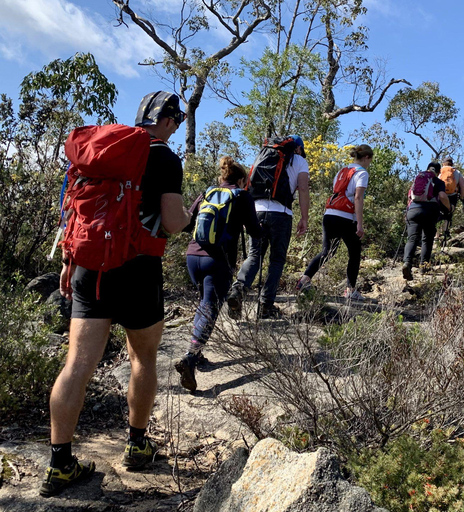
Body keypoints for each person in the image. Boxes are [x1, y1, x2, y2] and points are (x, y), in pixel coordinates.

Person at [41, 91, 191, 496]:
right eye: (175, 122)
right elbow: (174, 223)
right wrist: (190, 214)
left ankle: (59, 465)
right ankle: (137, 445)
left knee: (77, 365)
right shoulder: (164, 158)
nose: (176, 128)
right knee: (142, 357)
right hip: (138, 269)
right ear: (168, 120)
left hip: (89, 268)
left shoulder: (103, 150)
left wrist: (69, 261)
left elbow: (77, 212)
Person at [174, 157, 262, 392]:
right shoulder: (242, 196)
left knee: (204, 304)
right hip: (218, 260)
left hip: (193, 256)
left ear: (222, 178)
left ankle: (197, 354)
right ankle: (190, 357)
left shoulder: (208, 193)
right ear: (243, 180)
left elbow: (186, 222)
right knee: (209, 308)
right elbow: (255, 231)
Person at [226, 135, 310, 319]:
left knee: (255, 255)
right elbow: (303, 188)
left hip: (256, 211)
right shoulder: (300, 161)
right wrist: (304, 217)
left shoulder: (264, 156)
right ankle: (266, 305)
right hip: (282, 214)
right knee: (277, 260)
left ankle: (237, 291)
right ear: (298, 148)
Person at [296, 144, 372, 300]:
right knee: (355, 253)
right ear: (366, 158)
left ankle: (304, 279)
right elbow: (358, 198)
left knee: (327, 251)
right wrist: (359, 223)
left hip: (329, 215)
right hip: (345, 217)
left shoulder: (341, 171)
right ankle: (350, 290)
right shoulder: (362, 173)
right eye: (370, 160)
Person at [402, 162, 451, 281]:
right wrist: (449, 208)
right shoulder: (437, 181)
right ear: (439, 172)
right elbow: (442, 196)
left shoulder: (417, 180)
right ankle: (424, 266)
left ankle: (407, 263)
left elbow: (409, 196)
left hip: (413, 210)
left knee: (412, 238)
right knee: (427, 238)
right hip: (430, 211)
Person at [438, 156, 464, 239]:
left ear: (443, 163)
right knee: (448, 213)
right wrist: (461, 197)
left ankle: (436, 235)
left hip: (441, 195)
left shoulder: (440, 171)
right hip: (452, 195)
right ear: (452, 164)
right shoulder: (457, 172)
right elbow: (463, 186)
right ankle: (445, 233)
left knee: (439, 214)